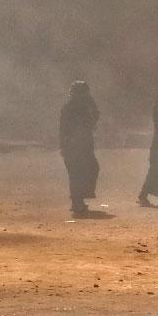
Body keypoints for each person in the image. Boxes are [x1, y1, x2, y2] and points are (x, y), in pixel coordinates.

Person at [59, 81, 101, 216]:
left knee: (84, 171)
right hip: (76, 145)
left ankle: (78, 201)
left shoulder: (80, 107)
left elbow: (95, 117)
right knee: (78, 173)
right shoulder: (73, 108)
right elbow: (64, 128)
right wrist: (64, 145)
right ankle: (77, 202)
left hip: (82, 145)